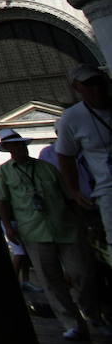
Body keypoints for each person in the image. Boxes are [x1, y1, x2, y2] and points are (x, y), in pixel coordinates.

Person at [0, 127, 99, 341]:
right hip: (33, 230)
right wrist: (9, 226)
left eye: (21, 144)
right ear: (8, 149)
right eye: (15, 145)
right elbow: (1, 201)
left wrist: (81, 220)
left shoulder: (47, 168)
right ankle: (72, 323)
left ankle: (91, 313)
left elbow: (69, 194)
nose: (19, 148)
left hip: (65, 226)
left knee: (83, 273)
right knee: (50, 280)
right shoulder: (4, 172)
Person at [55, 64, 112, 245]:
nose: (96, 88)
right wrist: (74, 190)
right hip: (108, 190)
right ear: (77, 87)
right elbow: (65, 156)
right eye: (89, 84)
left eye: (98, 82)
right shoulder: (72, 118)